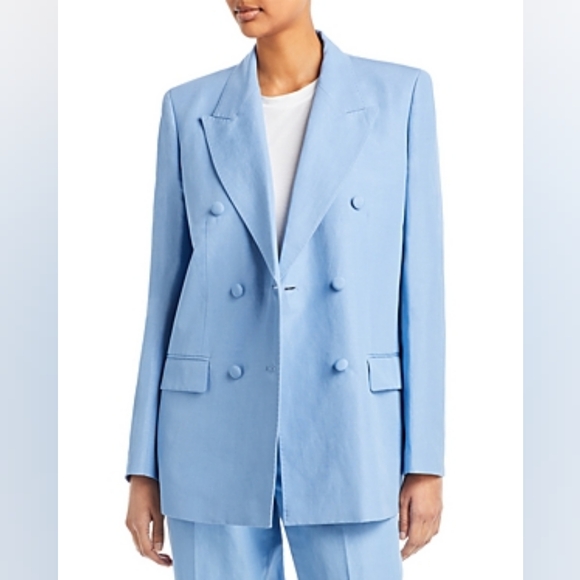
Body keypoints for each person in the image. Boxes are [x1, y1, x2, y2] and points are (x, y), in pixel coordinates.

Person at [125, 1, 446, 578]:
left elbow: (421, 291)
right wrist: (143, 467)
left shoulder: (399, 97)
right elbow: (163, 295)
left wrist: (425, 460)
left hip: (349, 428)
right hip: (209, 432)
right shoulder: (188, 109)